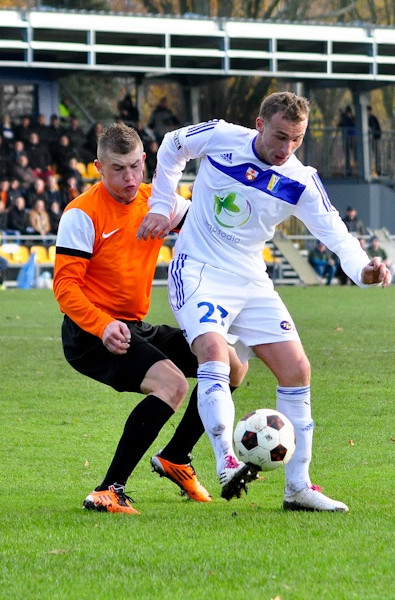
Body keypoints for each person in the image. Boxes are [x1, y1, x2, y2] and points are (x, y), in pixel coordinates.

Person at [138, 91, 391, 512]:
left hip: (251, 278)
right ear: (259, 125)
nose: (285, 148)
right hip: (198, 268)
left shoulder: (300, 180)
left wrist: (364, 270)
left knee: (297, 369)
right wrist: (162, 204)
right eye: (279, 136)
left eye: (296, 139)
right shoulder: (221, 137)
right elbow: (171, 146)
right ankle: (226, 462)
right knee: (215, 354)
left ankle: (298, 488)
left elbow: (337, 235)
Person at [52, 122, 248, 514]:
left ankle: (176, 456)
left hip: (134, 326)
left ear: (145, 162)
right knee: (172, 385)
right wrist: (102, 325)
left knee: (229, 365)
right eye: (117, 169)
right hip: (91, 333)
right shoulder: (82, 214)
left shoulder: (158, 202)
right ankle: (108, 489)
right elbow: (65, 288)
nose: (128, 178)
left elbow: (213, 228)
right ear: (98, 168)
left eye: (135, 167)